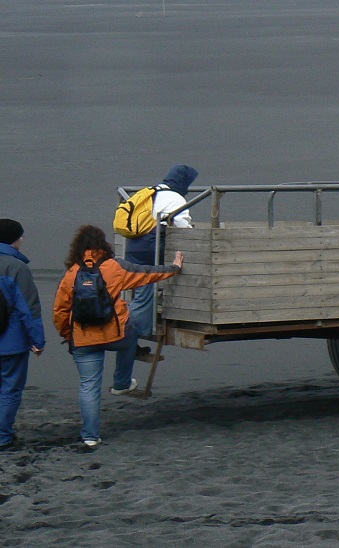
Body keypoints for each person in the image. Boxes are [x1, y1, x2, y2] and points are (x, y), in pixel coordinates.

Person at [53, 224, 183, 449]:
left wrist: (68, 334)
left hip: (82, 339)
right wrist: (174, 267)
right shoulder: (115, 267)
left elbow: (60, 310)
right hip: (114, 335)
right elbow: (148, 274)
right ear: (103, 244)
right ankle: (121, 383)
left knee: (89, 387)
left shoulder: (72, 272)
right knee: (130, 334)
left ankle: (91, 437)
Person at [123, 164, 197, 353]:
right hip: (150, 246)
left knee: (141, 292)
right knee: (146, 292)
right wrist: (192, 236)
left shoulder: (150, 191)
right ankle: (129, 337)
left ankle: (130, 336)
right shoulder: (175, 198)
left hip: (133, 245)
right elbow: (181, 222)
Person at [1, 220, 46, 451]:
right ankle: (2, 437)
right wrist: (38, 341)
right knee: (9, 389)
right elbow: (29, 309)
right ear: (14, 239)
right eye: (21, 236)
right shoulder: (17, 267)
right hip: (11, 343)